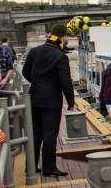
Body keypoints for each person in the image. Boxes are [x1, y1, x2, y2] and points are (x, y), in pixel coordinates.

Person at [22, 23, 75, 178]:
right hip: (52, 99)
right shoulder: (60, 56)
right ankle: (49, 167)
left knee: (35, 133)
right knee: (50, 134)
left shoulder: (34, 51)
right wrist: (71, 102)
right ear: (63, 37)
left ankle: (31, 166)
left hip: (34, 96)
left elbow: (26, 72)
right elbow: (65, 82)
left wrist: (38, 83)